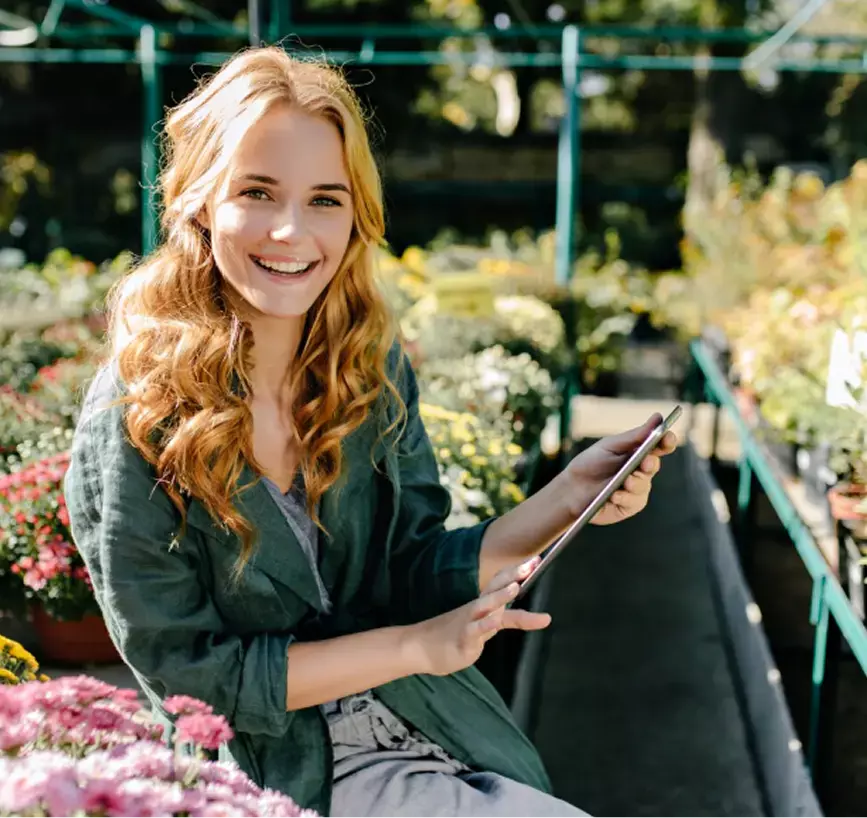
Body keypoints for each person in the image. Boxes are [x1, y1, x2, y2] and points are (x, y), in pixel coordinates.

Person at [63, 46, 677, 818]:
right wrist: (413, 647)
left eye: (325, 199)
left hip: (431, 724)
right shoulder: (136, 417)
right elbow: (191, 679)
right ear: (199, 200)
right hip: (277, 770)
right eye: (256, 192)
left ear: (356, 215)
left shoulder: (365, 366)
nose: (291, 230)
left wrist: (563, 499)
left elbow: (410, 570)